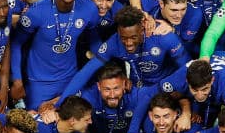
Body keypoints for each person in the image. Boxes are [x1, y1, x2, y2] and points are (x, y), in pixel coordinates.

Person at [10, 0, 101, 110]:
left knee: (74, 120)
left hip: (70, 79)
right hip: (39, 82)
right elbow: (16, 44)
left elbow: (94, 39)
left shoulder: (89, 8)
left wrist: (103, 61)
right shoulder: (36, 12)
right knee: (40, 121)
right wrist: (17, 81)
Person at [55, 6, 188, 101]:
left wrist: (181, 94)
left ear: (142, 29)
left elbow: (187, 67)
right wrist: (60, 102)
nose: (128, 43)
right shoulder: (113, 43)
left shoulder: (164, 37)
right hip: (137, 91)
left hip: (165, 89)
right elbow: (85, 72)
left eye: (133, 37)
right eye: (124, 38)